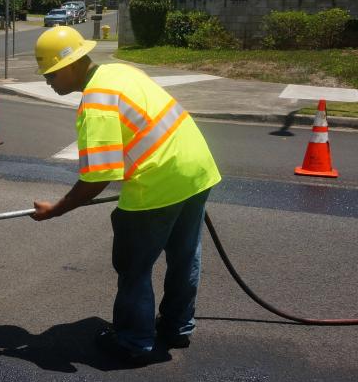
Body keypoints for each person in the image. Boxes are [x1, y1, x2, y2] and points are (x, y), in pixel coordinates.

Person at [30, 26, 222, 364]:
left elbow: (99, 177)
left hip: (159, 181)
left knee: (134, 265)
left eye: (51, 73)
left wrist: (57, 209)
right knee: (184, 254)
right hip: (196, 167)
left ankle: (134, 341)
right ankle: (178, 329)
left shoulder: (96, 104)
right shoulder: (119, 71)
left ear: (73, 65)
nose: (48, 81)